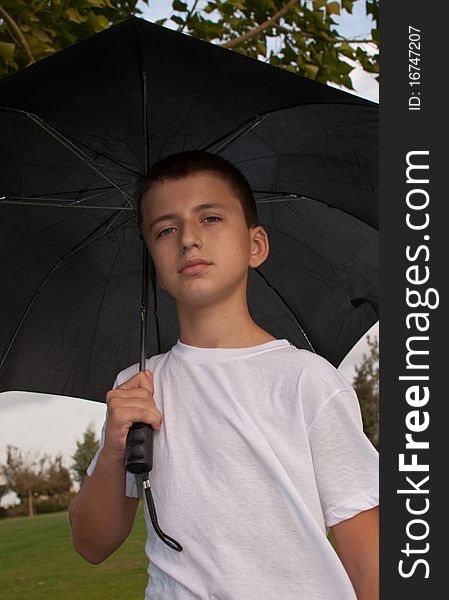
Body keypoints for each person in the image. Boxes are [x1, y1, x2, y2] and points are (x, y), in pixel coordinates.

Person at [69, 150, 379, 600]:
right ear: (154, 261)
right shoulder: (139, 387)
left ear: (255, 245)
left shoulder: (305, 381)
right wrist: (116, 448)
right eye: (165, 229)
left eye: (210, 218)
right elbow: (91, 544)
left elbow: (369, 558)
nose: (188, 239)